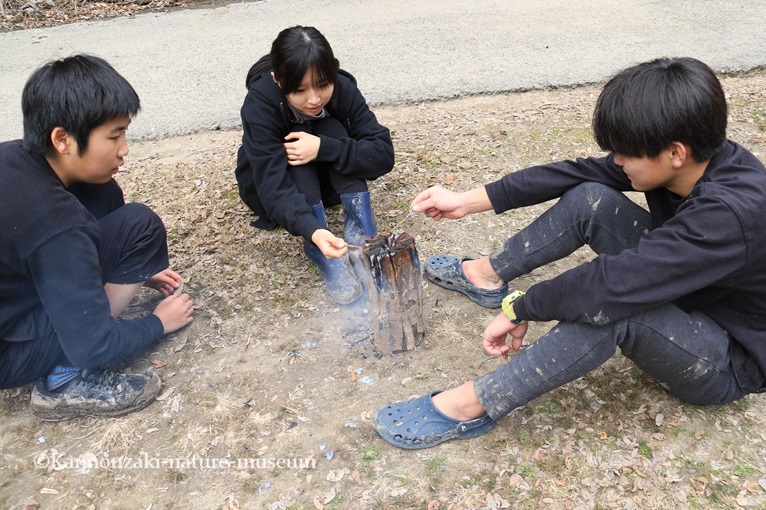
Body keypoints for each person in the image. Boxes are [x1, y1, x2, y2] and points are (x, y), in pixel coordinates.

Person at [374, 57, 766, 449]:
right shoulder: (695, 156)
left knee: (611, 309)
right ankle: (487, 273)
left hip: (726, 354)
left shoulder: (730, 214)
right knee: (590, 198)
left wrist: (521, 308)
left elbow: (611, 285)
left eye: (625, 152)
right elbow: (573, 173)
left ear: (676, 152)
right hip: (693, 287)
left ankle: (471, 404)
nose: (616, 160)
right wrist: (466, 201)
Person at [0, 55, 195, 421]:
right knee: (140, 225)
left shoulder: (17, 157)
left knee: (104, 194)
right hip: (8, 355)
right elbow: (95, 345)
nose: (124, 148)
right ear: (62, 139)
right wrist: (157, 323)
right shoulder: (55, 221)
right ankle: (63, 381)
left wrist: (134, 269)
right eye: (114, 135)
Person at [235, 26, 394, 305]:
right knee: (292, 143)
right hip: (273, 193)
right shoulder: (260, 103)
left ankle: (362, 237)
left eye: (323, 85)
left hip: (328, 185)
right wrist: (313, 231)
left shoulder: (344, 88)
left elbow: (382, 154)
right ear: (277, 79)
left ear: (333, 73)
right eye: (299, 90)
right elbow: (272, 185)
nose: (314, 99)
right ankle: (321, 250)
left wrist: (323, 147)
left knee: (331, 128)